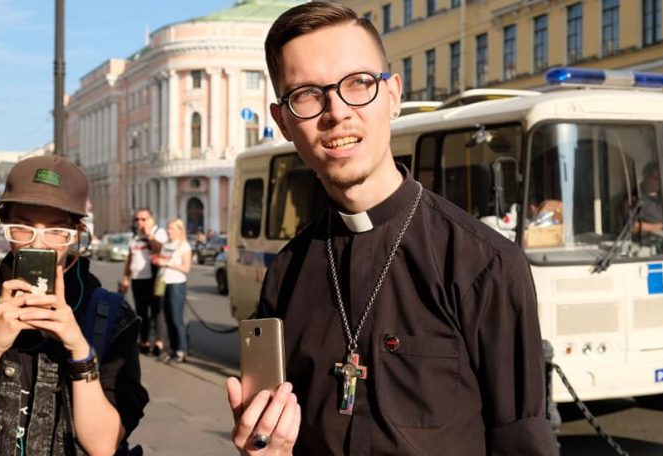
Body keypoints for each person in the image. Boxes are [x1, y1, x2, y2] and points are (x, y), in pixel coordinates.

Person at [226, 3, 555, 455]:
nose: (337, 112)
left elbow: (523, 445)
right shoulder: (286, 273)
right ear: (282, 121)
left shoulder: (486, 264)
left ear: (393, 95)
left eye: (358, 83)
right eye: (306, 94)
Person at [0, 155, 148, 454]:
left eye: (56, 231)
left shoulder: (112, 316)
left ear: (77, 234)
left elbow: (102, 446)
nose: (38, 243)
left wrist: (79, 350)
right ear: (5, 225)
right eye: (23, 227)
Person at [120, 207, 168, 355]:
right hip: (137, 279)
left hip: (154, 279)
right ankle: (144, 340)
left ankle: (159, 342)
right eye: (137, 219)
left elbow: (160, 250)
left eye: (143, 219)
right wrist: (126, 278)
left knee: (156, 311)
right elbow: (130, 259)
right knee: (141, 311)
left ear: (151, 219)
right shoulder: (134, 237)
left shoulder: (158, 232)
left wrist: (149, 236)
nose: (140, 222)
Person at [152, 218, 192, 363]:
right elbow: (162, 261)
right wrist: (157, 261)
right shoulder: (166, 245)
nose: (169, 231)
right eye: (168, 228)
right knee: (168, 318)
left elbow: (186, 268)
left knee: (176, 318)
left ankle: (182, 350)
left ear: (180, 230)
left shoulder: (184, 246)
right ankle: (173, 349)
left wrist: (167, 263)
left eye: (172, 229)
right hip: (164, 282)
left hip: (177, 284)